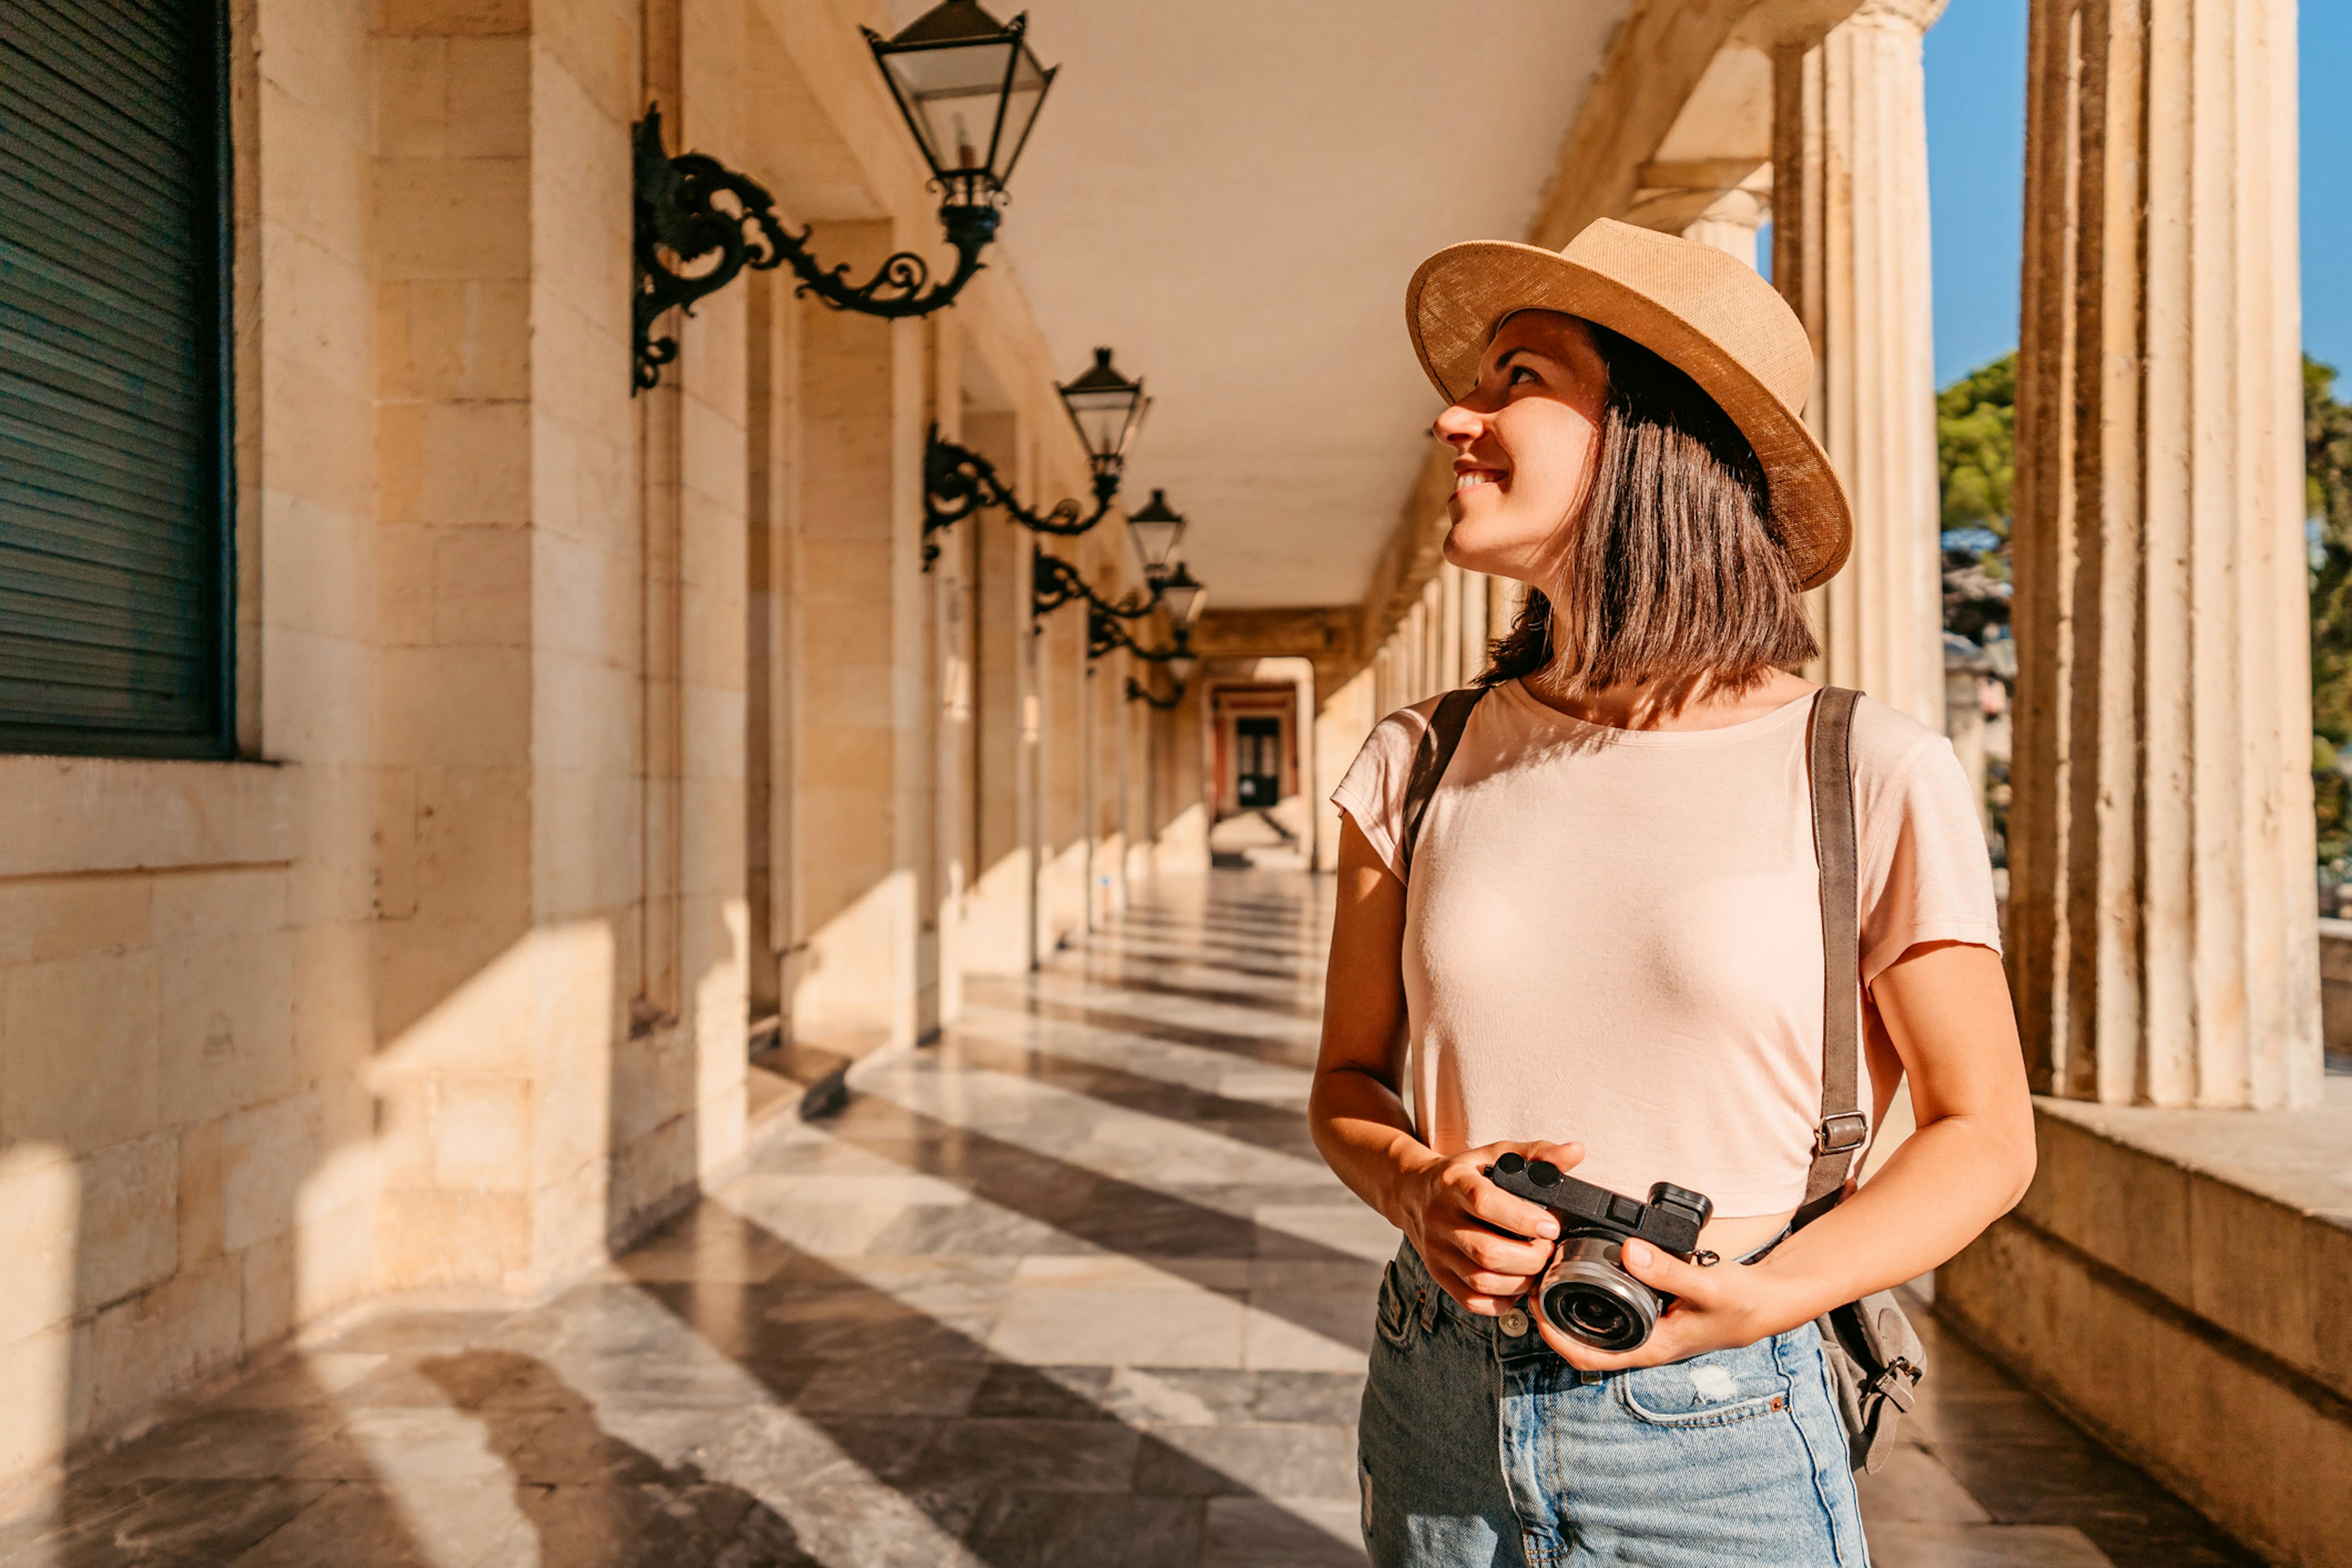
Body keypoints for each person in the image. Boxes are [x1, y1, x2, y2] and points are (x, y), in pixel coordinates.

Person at [1310, 219, 2036, 1567]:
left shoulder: (1866, 767)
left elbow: (1986, 1131)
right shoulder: (1418, 758)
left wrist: (1762, 1299)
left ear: (1656, 437)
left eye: (1516, 376)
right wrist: (1422, 1189)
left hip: (1720, 1424)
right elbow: (1349, 1080)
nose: (1451, 417)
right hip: (1434, 1390)